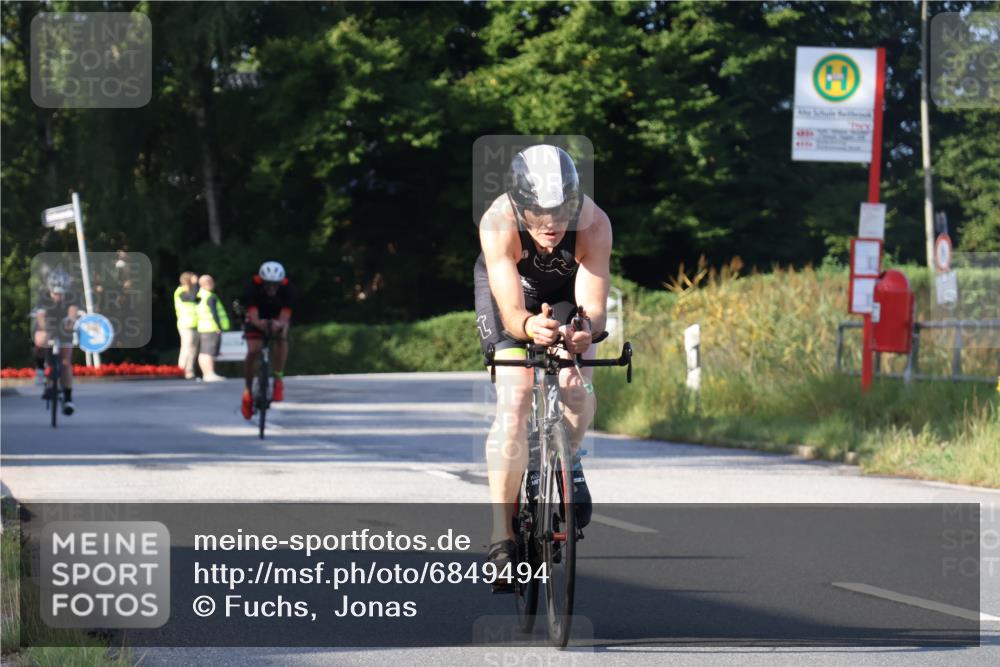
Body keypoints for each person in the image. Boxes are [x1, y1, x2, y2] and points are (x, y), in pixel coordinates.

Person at [474, 145, 612, 585]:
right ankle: (502, 536)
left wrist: (582, 333)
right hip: (512, 298)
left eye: (560, 210)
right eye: (536, 212)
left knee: (575, 384)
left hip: (568, 293)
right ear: (519, 204)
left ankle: (568, 458)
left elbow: (593, 306)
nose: (550, 223)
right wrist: (530, 326)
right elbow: (513, 313)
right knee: (514, 399)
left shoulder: (594, 223)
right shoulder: (499, 222)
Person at [240, 261, 294, 420]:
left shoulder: (288, 289)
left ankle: (278, 378)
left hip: (277, 316)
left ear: (281, 283)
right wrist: (259, 324)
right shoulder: (252, 287)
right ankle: (248, 391)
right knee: (253, 351)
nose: (271, 288)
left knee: (282, 336)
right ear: (261, 282)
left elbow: (285, 316)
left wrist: (278, 325)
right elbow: (253, 317)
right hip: (258, 316)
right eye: (268, 285)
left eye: (275, 285)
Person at [33, 268, 80, 415]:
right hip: (48, 326)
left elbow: (73, 312)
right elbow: (40, 317)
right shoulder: (43, 297)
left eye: (60, 293)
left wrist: (71, 321)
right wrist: (45, 328)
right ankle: (40, 368)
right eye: (55, 293)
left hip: (64, 329)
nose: (57, 296)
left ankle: (68, 398)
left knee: (65, 363)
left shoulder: (72, 297)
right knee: (40, 340)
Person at [196, 274, 229, 382]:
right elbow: (214, 313)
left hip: (202, 327)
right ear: (208, 283)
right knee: (208, 352)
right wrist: (218, 326)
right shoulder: (210, 296)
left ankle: (206, 374)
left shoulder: (199, 295)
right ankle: (210, 374)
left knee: (203, 352)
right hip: (211, 327)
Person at [174, 271, 199, 379]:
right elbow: (190, 297)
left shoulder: (193, 290)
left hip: (195, 323)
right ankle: (181, 370)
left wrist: (195, 286)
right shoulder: (180, 291)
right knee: (186, 347)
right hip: (185, 324)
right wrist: (195, 284)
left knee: (193, 349)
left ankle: (189, 371)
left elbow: (197, 298)